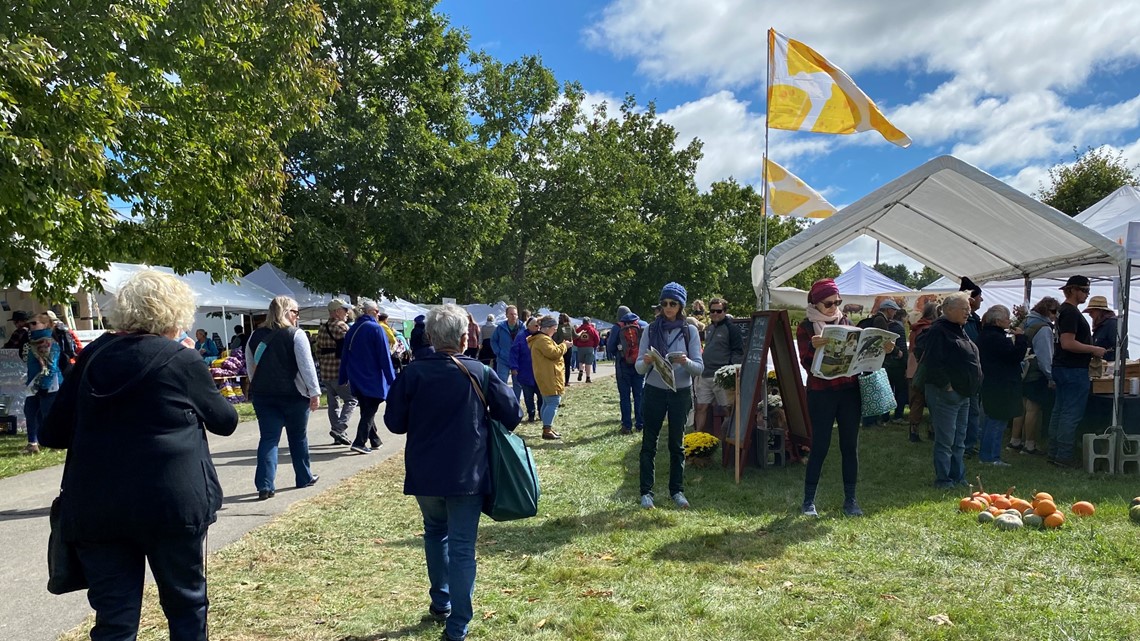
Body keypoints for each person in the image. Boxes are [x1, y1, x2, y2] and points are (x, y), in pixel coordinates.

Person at [40, 269, 238, 641]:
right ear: (177, 313)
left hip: (97, 506)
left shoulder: (93, 356)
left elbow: (53, 432)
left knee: (114, 617)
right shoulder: (182, 359)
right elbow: (225, 422)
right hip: (171, 504)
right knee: (186, 605)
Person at [384, 304, 521, 641]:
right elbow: (513, 414)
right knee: (461, 545)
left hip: (425, 471)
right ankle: (457, 624)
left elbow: (393, 422)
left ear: (430, 337)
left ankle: (441, 602)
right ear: (464, 339)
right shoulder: (480, 372)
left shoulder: (412, 373)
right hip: (467, 473)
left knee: (435, 533)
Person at [796, 279, 879, 517]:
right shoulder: (805, 327)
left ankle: (851, 500)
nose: (834, 306)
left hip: (849, 391)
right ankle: (808, 501)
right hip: (821, 393)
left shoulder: (847, 322)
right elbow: (806, 362)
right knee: (820, 446)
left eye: (838, 302)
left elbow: (861, 358)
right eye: (828, 303)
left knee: (849, 446)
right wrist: (814, 347)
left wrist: (880, 350)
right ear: (815, 303)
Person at [636, 282, 703, 510]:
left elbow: (699, 368)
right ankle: (646, 493)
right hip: (654, 391)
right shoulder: (650, 329)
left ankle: (677, 491)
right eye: (664, 303)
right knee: (649, 444)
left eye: (673, 303)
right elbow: (638, 368)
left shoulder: (690, 330)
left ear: (681, 305)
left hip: (679, 392)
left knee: (677, 445)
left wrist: (685, 362)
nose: (668, 307)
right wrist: (645, 362)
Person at [247, 296, 321, 500]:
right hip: (294, 395)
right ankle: (304, 477)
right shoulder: (296, 335)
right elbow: (307, 367)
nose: (297, 316)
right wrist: (314, 392)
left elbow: (251, 367)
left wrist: (259, 385)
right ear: (287, 312)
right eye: (296, 312)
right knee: (298, 437)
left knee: (269, 439)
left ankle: (264, 485)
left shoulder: (255, 335)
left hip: (264, 395)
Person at [916, 292, 982, 489]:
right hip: (946, 393)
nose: (968, 312)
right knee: (946, 439)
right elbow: (933, 362)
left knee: (959, 439)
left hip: (963, 394)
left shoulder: (959, 329)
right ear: (949, 310)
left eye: (968, 309)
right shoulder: (939, 330)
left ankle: (958, 476)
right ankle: (944, 479)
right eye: (964, 309)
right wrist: (948, 386)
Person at [1048, 275, 1104, 468]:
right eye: (1084, 290)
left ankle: (1054, 452)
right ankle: (1064, 456)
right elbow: (1068, 343)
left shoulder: (1063, 311)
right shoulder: (1071, 313)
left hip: (1063, 367)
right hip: (1073, 368)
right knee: (1070, 414)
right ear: (1072, 290)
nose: (1086, 295)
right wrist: (1094, 349)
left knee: (1060, 411)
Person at [340, 298, 397, 454]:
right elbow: (384, 357)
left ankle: (374, 439)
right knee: (370, 409)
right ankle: (359, 441)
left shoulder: (352, 329)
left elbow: (344, 355)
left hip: (356, 376)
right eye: (377, 311)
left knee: (366, 408)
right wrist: (393, 381)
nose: (378, 314)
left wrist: (343, 377)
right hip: (372, 377)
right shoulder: (375, 329)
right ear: (370, 312)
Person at [976, 305, 1027, 467]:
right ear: (998, 321)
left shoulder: (984, 335)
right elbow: (1014, 356)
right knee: (998, 420)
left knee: (991, 419)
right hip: (1002, 383)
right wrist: (1020, 338)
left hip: (991, 381)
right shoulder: (996, 338)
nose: (1009, 321)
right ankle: (991, 457)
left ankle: (986, 454)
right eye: (1006, 318)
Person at [1011, 297, 1059, 455]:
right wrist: (1051, 376)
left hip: (1021, 369)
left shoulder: (1025, 321)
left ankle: (1014, 441)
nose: (1055, 315)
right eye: (1053, 312)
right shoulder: (1043, 328)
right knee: (1033, 408)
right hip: (1034, 371)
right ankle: (1030, 444)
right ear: (1046, 310)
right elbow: (1045, 355)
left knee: (1021, 407)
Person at [693, 297, 743, 434]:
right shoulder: (709, 328)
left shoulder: (732, 329)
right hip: (705, 374)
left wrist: (731, 372)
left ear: (725, 311)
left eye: (718, 311)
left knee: (728, 409)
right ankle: (697, 438)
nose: (715, 313)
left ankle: (730, 439)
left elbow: (738, 351)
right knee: (701, 407)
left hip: (722, 376)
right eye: (712, 311)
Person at [316, 299, 358, 446]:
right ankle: (340, 429)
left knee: (333, 404)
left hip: (326, 372)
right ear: (336, 311)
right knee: (351, 400)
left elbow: (318, 350)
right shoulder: (341, 326)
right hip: (340, 371)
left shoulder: (322, 328)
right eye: (345, 310)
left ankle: (337, 434)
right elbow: (351, 348)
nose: (347, 313)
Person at [22, 315, 63, 454]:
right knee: (30, 412)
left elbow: (52, 366)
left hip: (50, 384)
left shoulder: (50, 343)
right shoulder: (30, 342)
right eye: (29, 324)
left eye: (34, 323)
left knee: (48, 414)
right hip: (33, 383)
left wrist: (44, 386)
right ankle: (33, 443)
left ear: (46, 325)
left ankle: (54, 443)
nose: (31, 326)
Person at [606, 305, 648, 434]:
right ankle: (640, 423)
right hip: (639, 364)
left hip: (623, 365)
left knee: (625, 397)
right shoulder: (642, 324)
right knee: (639, 395)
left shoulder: (617, 327)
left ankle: (627, 425)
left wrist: (620, 354)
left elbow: (610, 347)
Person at [530, 316, 572, 440]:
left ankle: (547, 426)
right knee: (553, 401)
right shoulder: (543, 340)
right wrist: (564, 345)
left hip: (546, 375)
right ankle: (547, 429)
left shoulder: (541, 339)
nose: (555, 331)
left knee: (547, 402)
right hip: (549, 376)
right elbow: (553, 353)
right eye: (554, 329)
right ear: (547, 328)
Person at [906, 302, 939, 443]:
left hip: (913, 367)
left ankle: (913, 432)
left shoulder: (915, 327)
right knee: (933, 401)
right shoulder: (932, 329)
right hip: (926, 367)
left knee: (916, 401)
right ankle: (931, 430)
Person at [960, 277, 984, 458]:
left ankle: (967, 444)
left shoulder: (973, 319)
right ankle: (966, 445)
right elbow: (971, 345)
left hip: (971, 371)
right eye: (979, 297)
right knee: (969, 411)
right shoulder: (966, 322)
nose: (981, 300)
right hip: (966, 372)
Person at [879, 300, 909, 424]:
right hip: (897, 365)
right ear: (889, 310)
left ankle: (885, 417)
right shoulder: (898, 328)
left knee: (887, 390)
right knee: (901, 390)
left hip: (884, 364)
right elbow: (902, 347)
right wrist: (906, 364)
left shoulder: (881, 325)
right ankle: (898, 416)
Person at [510, 316, 544, 423]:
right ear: (529, 326)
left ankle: (542, 414)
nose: (538, 327)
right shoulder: (521, 337)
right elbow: (514, 352)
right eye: (536, 325)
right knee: (528, 397)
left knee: (541, 396)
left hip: (540, 372)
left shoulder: (542, 337)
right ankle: (531, 415)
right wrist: (514, 367)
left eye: (539, 326)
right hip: (525, 372)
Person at [491, 305, 524, 398]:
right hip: (503, 359)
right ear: (506, 315)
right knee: (502, 382)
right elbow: (493, 340)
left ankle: (515, 404)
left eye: (515, 314)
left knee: (517, 384)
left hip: (518, 360)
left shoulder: (522, 327)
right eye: (511, 314)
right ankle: (504, 403)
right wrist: (498, 352)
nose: (514, 316)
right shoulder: (500, 327)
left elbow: (527, 341)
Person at [1084, 295, 1119, 361]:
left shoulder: (1112, 324)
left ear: (1100, 311)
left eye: (1092, 312)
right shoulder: (1099, 326)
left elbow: (1118, 346)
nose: (1090, 315)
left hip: (1113, 363)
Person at [573, 317, 600, 383]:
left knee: (581, 361)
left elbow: (575, 337)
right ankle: (588, 377)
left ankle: (581, 370)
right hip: (589, 347)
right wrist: (594, 345)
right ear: (589, 322)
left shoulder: (579, 329)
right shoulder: (592, 329)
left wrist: (577, 344)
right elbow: (597, 338)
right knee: (588, 363)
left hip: (580, 347)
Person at [555, 313, 576, 386]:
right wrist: (581, 332)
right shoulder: (571, 326)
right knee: (567, 365)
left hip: (559, 347)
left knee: (559, 365)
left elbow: (554, 338)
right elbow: (575, 336)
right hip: (569, 347)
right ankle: (566, 381)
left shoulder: (557, 327)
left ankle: (560, 381)